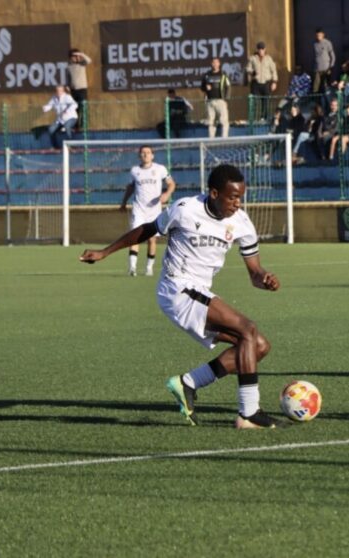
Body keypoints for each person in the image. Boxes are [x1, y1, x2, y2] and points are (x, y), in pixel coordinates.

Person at [80, 164, 283, 429]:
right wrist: (105, 252)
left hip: (200, 291)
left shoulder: (242, 222)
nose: (238, 203)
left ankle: (188, 383)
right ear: (214, 193)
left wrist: (264, 279)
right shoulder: (185, 209)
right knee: (248, 329)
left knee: (257, 346)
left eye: (240, 197)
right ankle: (249, 413)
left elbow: (254, 272)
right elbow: (147, 229)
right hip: (176, 288)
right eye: (233, 197)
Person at [119, 146, 176, 276]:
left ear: (152, 155)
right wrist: (123, 202)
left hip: (154, 210)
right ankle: (132, 268)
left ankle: (149, 268)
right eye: (143, 153)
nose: (145, 155)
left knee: (152, 239)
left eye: (148, 152)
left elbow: (171, 184)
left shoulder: (160, 169)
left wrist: (167, 194)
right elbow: (130, 187)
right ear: (139, 155)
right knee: (135, 237)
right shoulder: (135, 171)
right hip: (139, 209)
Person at [246, 41, 278, 122]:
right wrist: (252, 72)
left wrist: (274, 82)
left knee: (266, 101)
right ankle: (254, 119)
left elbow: (273, 70)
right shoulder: (253, 58)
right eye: (259, 49)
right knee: (254, 101)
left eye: (262, 49)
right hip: (256, 83)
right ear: (257, 50)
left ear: (265, 49)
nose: (261, 51)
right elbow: (247, 68)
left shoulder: (269, 59)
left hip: (266, 83)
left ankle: (264, 118)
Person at [201, 57, 231, 138]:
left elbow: (228, 87)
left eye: (216, 62)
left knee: (224, 121)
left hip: (221, 101)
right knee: (211, 122)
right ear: (211, 64)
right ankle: (211, 139)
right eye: (213, 62)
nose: (215, 64)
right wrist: (205, 87)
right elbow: (202, 87)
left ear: (219, 64)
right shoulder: (207, 75)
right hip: (210, 101)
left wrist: (226, 99)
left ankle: (224, 138)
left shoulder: (223, 75)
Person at [42, 85, 78, 149]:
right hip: (60, 120)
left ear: (63, 91)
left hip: (71, 117)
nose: (58, 92)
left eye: (60, 91)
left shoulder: (67, 97)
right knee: (51, 129)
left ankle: (71, 145)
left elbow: (75, 105)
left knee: (67, 126)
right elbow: (49, 105)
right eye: (57, 91)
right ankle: (55, 147)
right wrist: (45, 108)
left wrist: (67, 110)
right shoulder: (54, 98)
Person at [67, 48, 91, 128]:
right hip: (74, 90)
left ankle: (84, 125)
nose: (75, 58)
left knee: (83, 107)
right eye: (73, 56)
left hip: (82, 89)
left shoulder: (82, 64)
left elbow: (89, 60)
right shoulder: (69, 67)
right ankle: (76, 126)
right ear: (70, 57)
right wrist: (68, 86)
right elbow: (68, 78)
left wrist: (81, 54)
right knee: (75, 109)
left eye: (76, 56)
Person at [312, 28, 336, 96]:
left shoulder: (327, 43)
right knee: (316, 87)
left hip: (326, 69)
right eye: (317, 35)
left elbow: (332, 55)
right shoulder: (314, 44)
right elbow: (314, 56)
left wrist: (331, 66)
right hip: (317, 69)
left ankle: (326, 99)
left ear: (323, 35)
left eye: (320, 35)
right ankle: (316, 100)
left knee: (325, 86)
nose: (318, 37)